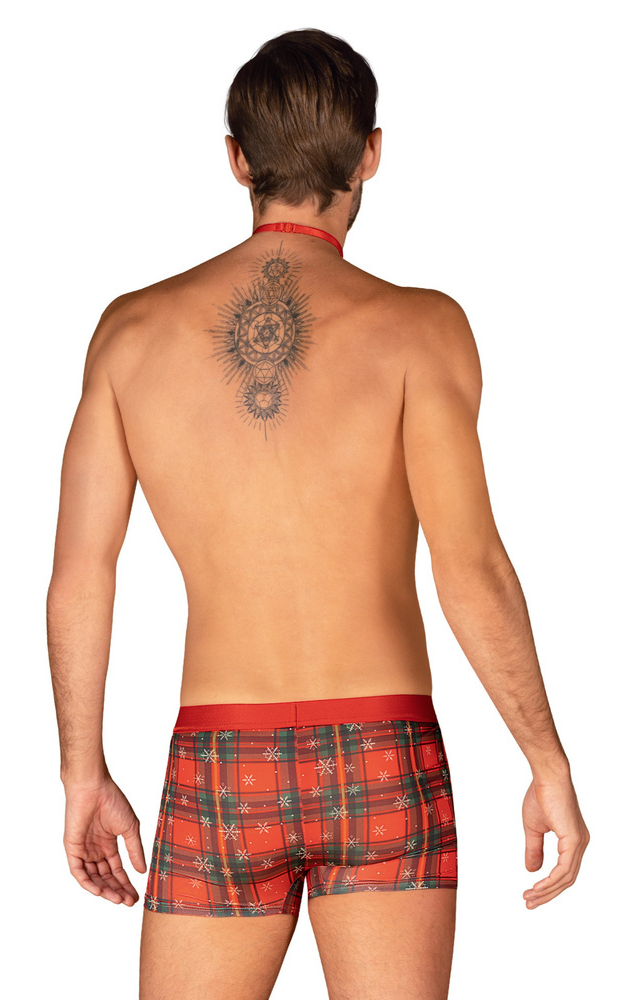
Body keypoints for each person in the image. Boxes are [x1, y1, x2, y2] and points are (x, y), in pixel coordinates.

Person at [46, 27, 589, 1000]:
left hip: (220, 758)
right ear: (369, 153)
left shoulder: (129, 334)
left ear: (237, 159)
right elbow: (470, 566)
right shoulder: (421, 328)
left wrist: (82, 773)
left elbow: (81, 573)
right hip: (383, 752)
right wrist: (545, 759)